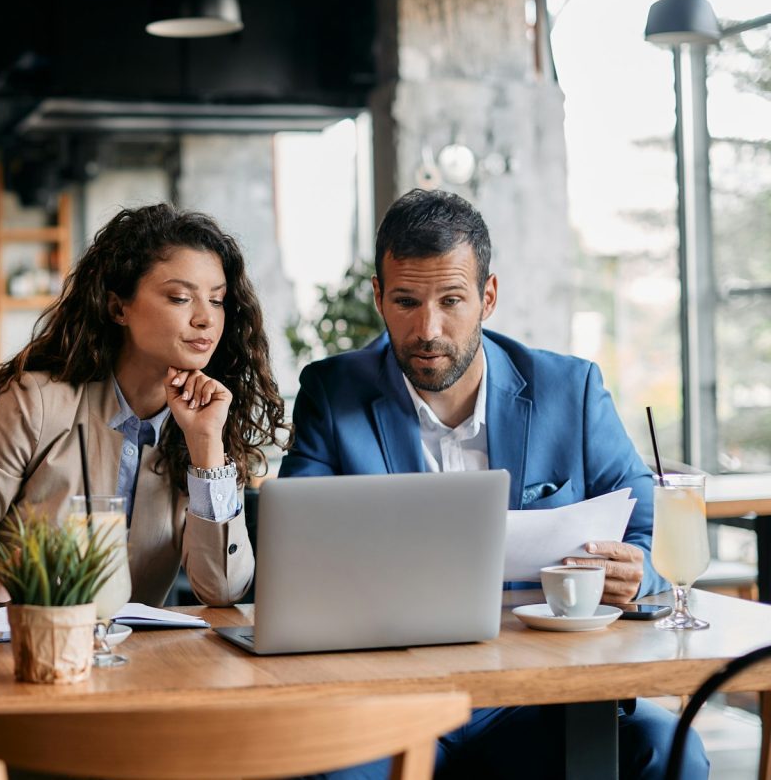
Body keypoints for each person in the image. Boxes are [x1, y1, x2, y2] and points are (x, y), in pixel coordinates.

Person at [282, 189, 707, 779]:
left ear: (488, 296)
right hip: (388, 694)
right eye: (405, 301)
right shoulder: (333, 393)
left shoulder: (570, 390)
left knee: (666, 749)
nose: (427, 329)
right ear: (378, 297)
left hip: (541, 694)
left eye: (451, 300)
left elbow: (649, 523)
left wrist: (635, 565)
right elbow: (294, 546)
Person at [0, 203, 287, 610]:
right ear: (117, 307)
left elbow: (223, 590)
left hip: (138, 666)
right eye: (180, 298)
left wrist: (206, 446)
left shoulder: (198, 427)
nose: (205, 320)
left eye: (216, 301)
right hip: (28, 651)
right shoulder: (35, 404)